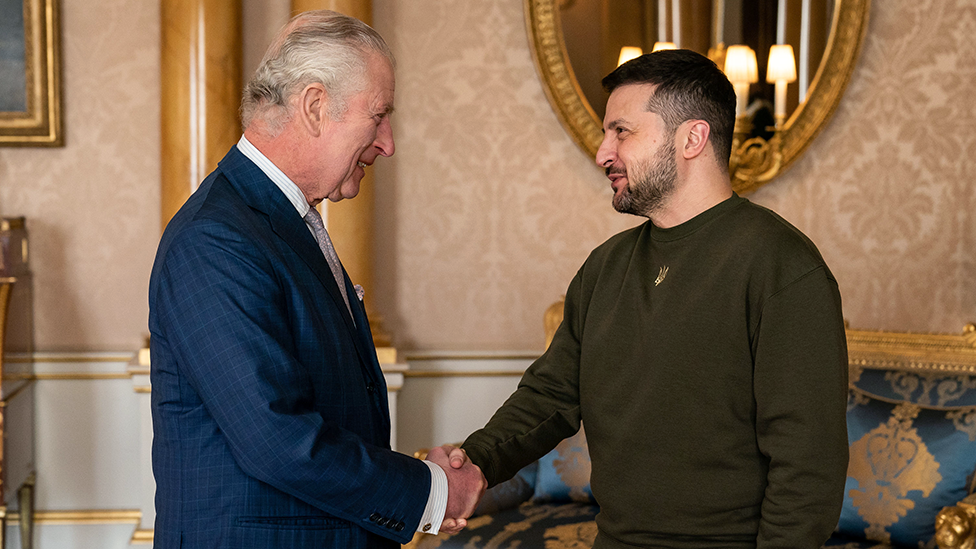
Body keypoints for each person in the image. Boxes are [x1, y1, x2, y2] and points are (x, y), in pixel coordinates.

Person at [448, 49, 850, 548]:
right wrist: (474, 464)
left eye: (622, 131)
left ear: (692, 138)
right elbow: (550, 395)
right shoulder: (606, 265)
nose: (602, 152)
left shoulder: (781, 264)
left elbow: (808, 467)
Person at [148, 11, 485, 549]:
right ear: (314, 106)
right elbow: (277, 440)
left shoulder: (283, 221)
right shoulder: (216, 238)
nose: (388, 143)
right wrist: (431, 491)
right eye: (377, 116)